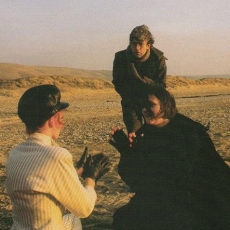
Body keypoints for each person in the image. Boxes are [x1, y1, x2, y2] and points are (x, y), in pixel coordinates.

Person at [109, 86, 230, 230]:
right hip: (164, 192)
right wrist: (126, 150)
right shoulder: (146, 132)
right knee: (123, 220)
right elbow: (133, 177)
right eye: (143, 106)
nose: (145, 110)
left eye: (151, 105)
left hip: (200, 193)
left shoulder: (188, 132)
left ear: (166, 105)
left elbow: (178, 175)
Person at [6, 84, 110, 230]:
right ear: (52, 120)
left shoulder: (15, 153)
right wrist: (90, 179)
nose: (63, 123)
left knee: (71, 220)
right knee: (75, 218)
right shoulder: (56, 155)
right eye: (61, 118)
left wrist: (76, 172)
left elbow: (40, 181)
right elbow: (84, 209)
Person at [112, 24, 167, 135]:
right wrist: (131, 94)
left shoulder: (158, 59)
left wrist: (144, 82)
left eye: (140, 44)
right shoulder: (120, 58)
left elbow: (162, 86)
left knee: (156, 135)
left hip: (152, 103)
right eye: (134, 44)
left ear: (148, 45)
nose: (137, 48)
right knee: (135, 136)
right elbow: (118, 83)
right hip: (131, 102)